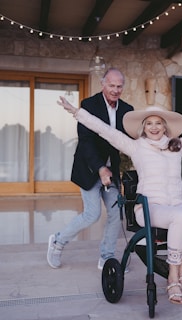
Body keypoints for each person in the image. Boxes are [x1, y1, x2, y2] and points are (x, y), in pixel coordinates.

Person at [57, 96, 182, 304]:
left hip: (174, 206)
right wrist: (76, 112)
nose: (154, 127)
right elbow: (104, 130)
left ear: (165, 127)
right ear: (143, 127)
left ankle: (180, 274)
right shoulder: (136, 147)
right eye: (149, 123)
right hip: (149, 209)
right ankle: (173, 279)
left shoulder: (177, 146)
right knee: (181, 217)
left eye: (158, 123)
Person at [47, 68, 134, 271]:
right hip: (89, 167)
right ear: (103, 84)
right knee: (92, 214)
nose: (115, 90)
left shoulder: (128, 109)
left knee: (116, 215)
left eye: (119, 86)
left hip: (113, 172)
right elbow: (86, 142)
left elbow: (129, 140)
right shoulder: (89, 104)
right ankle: (58, 241)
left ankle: (107, 256)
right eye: (111, 85)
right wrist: (101, 169)